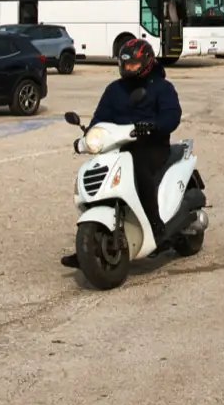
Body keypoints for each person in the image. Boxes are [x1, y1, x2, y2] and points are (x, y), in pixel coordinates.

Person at [62, 39, 182, 268]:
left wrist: (155, 125)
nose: (128, 69)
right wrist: (89, 136)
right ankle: (89, 245)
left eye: (133, 65)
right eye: (124, 64)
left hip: (151, 145)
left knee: (140, 170)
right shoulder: (114, 90)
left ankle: (156, 226)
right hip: (119, 145)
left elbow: (172, 115)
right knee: (95, 173)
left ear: (146, 62)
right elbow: (100, 118)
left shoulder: (161, 87)